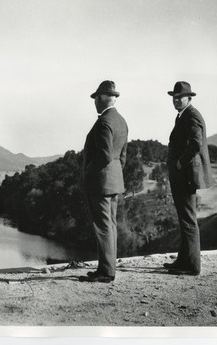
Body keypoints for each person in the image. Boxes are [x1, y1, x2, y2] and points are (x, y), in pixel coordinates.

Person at [79, 80, 128, 283]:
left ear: (102, 99)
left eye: (96, 99)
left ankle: (106, 271)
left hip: (101, 182)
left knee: (103, 226)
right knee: (111, 225)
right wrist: (115, 174)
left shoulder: (104, 122)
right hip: (114, 180)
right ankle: (107, 268)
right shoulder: (121, 121)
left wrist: (87, 173)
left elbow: (104, 155)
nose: (95, 103)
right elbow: (122, 155)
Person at [165, 81, 214, 276]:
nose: (176, 101)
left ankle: (193, 266)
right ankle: (183, 261)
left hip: (185, 175)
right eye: (174, 98)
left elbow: (195, 143)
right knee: (184, 219)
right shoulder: (183, 115)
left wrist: (180, 163)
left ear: (189, 98)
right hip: (181, 176)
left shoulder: (192, 116)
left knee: (188, 220)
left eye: (180, 98)